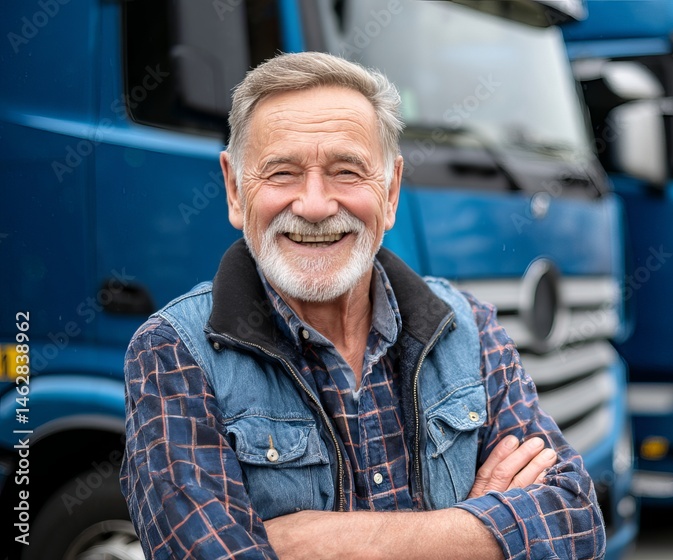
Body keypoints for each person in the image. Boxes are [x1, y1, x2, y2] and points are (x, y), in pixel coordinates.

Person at [120, 51, 606, 559]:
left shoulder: (469, 327)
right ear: (236, 190)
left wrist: (334, 542)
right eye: (282, 173)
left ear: (391, 190)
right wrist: (475, 534)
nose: (313, 205)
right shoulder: (173, 353)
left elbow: (575, 520)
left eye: (346, 172)